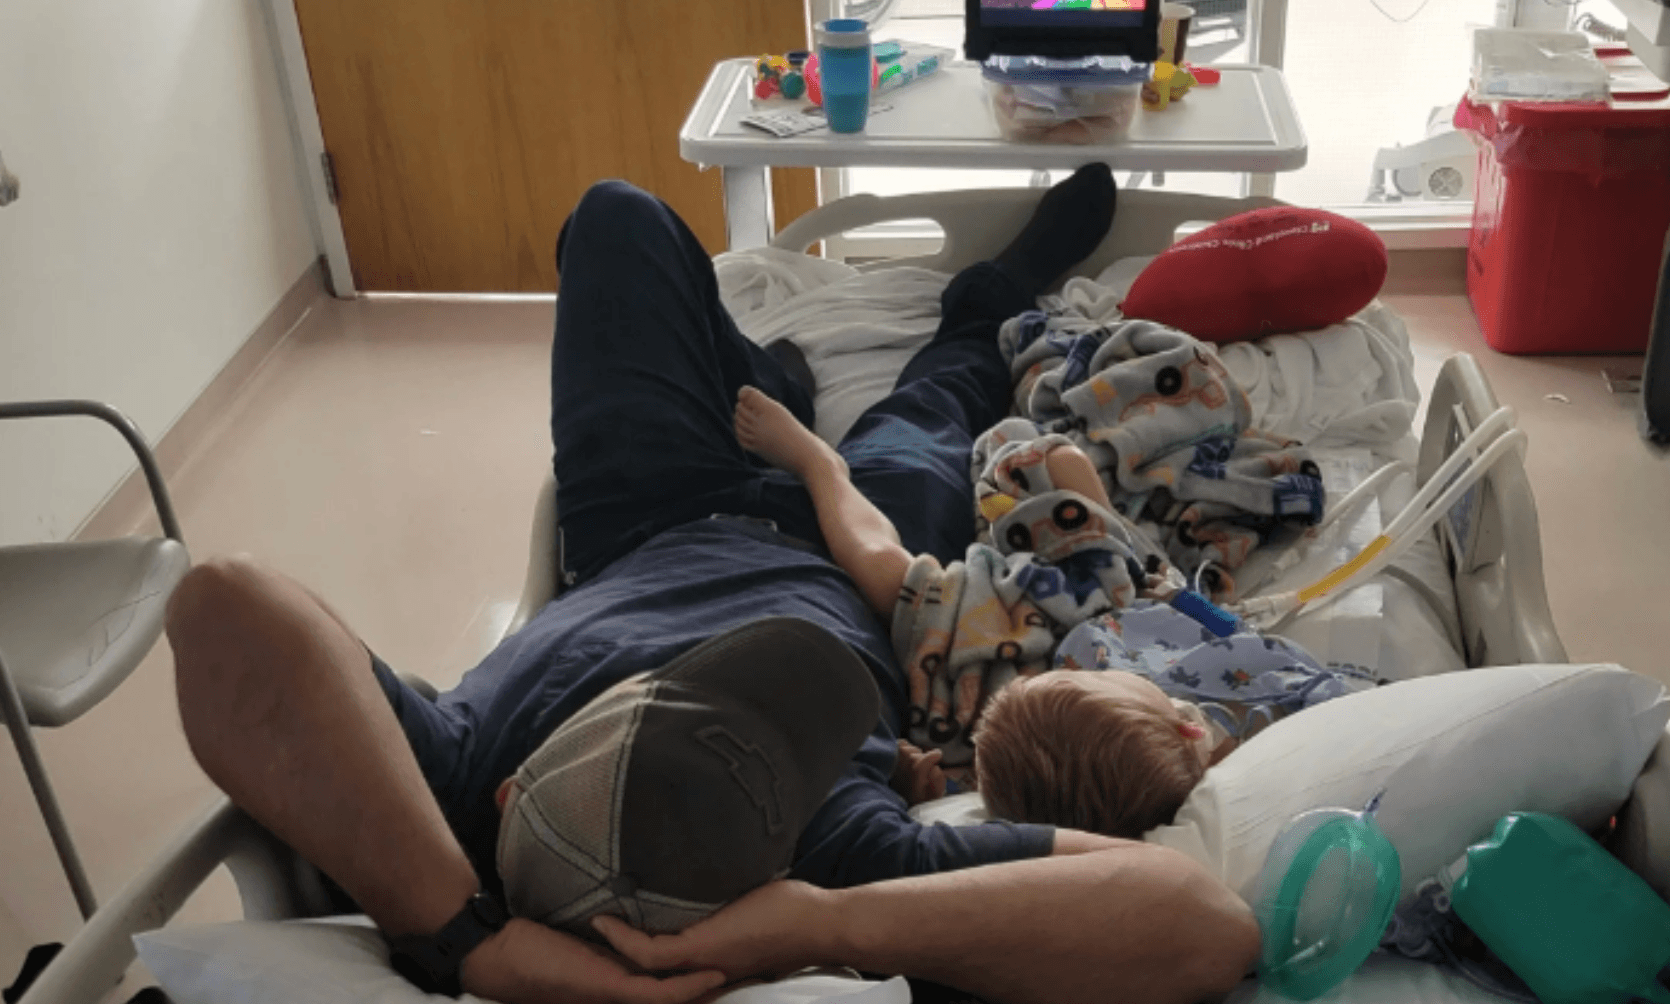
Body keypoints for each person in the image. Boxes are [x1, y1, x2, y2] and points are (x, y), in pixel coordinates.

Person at [163, 165, 1260, 1004]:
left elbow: (222, 607)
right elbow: (1204, 923)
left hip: (644, 520)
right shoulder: (827, 856)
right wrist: (827, 924)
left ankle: (761, 374)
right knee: (934, 403)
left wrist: (464, 940)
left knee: (614, 219)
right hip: (856, 561)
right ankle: (988, 296)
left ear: (517, 791)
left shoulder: (456, 800)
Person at [735, 365, 1368, 845]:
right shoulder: (1238, 736)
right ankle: (1101, 513)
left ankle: (820, 466)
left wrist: (913, 783)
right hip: (1119, 594)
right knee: (1063, 468)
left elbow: (958, 795)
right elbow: (1266, 658)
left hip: (994, 641)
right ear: (1189, 727)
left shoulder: (1014, 778)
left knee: (883, 567)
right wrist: (1175, 594)